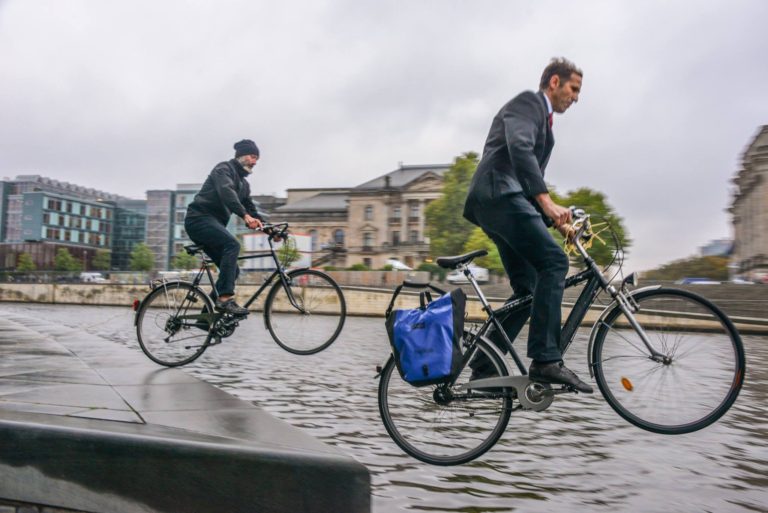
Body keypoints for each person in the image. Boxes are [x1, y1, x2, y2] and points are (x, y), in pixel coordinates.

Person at [463, 57, 592, 393]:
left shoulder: (544, 122)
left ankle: (483, 370)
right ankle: (546, 360)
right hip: (498, 195)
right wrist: (547, 202)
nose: (576, 97)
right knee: (554, 262)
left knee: (529, 288)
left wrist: (554, 220)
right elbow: (519, 149)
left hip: (499, 201)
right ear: (554, 82)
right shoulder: (528, 103)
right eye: (573, 89)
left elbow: (527, 170)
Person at [184, 139, 264, 316]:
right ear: (242, 155)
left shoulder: (244, 185)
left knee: (233, 270)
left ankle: (207, 319)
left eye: (257, 158)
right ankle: (225, 299)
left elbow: (251, 209)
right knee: (233, 245)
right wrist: (244, 216)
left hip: (213, 225)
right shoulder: (223, 169)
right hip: (198, 219)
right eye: (253, 156)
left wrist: (269, 230)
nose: (255, 162)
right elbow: (227, 193)